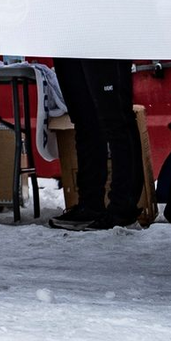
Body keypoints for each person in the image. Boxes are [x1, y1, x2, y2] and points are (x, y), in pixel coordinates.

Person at [48, 58, 144, 231]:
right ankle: (90, 205)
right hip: (67, 40)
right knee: (85, 121)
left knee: (116, 119)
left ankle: (123, 209)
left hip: (101, 41)